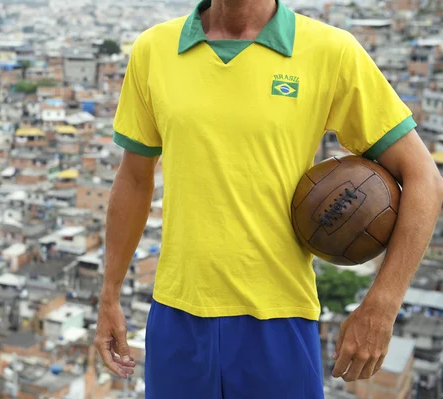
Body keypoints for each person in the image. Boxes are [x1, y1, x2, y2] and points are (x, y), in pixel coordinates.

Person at [94, 0, 443, 397]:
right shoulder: (154, 49)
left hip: (280, 317)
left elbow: (424, 178)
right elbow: (135, 181)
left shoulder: (330, 51)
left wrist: (382, 304)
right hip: (177, 313)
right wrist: (109, 295)